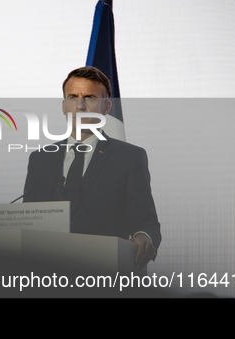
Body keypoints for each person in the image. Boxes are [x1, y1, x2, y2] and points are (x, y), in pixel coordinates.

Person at [23, 66, 161, 268]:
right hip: (48, 273)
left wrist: (143, 236)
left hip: (105, 273)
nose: (80, 106)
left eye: (89, 98)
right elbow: (28, 222)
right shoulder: (40, 159)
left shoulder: (129, 157)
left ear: (106, 107)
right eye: (72, 97)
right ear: (63, 106)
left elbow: (146, 220)